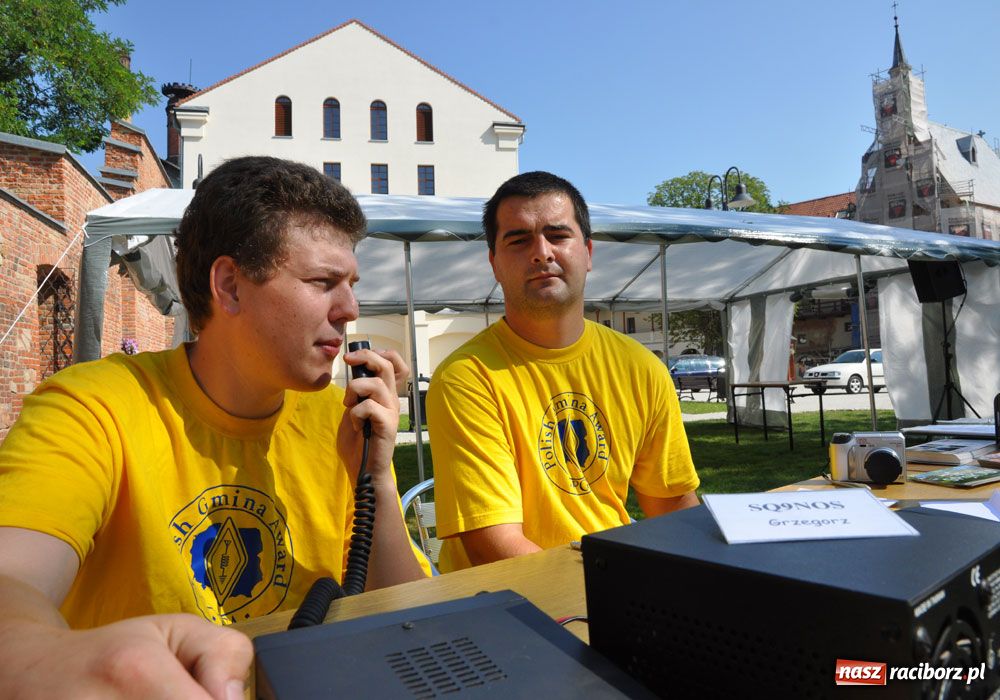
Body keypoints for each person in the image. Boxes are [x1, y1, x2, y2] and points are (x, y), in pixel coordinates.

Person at [0, 156, 428, 698]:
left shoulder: (340, 421)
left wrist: (378, 481)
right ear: (228, 285)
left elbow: (414, 620)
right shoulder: (93, 407)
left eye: (351, 284)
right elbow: (10, 576)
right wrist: (36, 658)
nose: (350, 308)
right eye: (324, 282)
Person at [426, 171, 700, 572]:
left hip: (612, 588)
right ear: (494, 264)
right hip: (506, 610)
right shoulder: (467, 378)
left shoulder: (641, 368)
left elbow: (674, 507)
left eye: (558, 235)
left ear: (588, 253)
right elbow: (495, 545)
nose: (541, 253)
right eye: (519, 240)